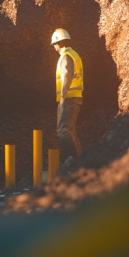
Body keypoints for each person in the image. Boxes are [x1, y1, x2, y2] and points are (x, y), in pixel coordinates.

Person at [50, 27, 84, 163]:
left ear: (58, 43)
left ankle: (70, 160)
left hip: (69, 98)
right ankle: (79, 160)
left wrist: (63, 99)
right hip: (74, 97)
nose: (54, 48)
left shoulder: (65, 57)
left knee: (62, 130)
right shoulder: (74, 54)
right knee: (70, 130)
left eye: (54, 45)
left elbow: (66, 76)